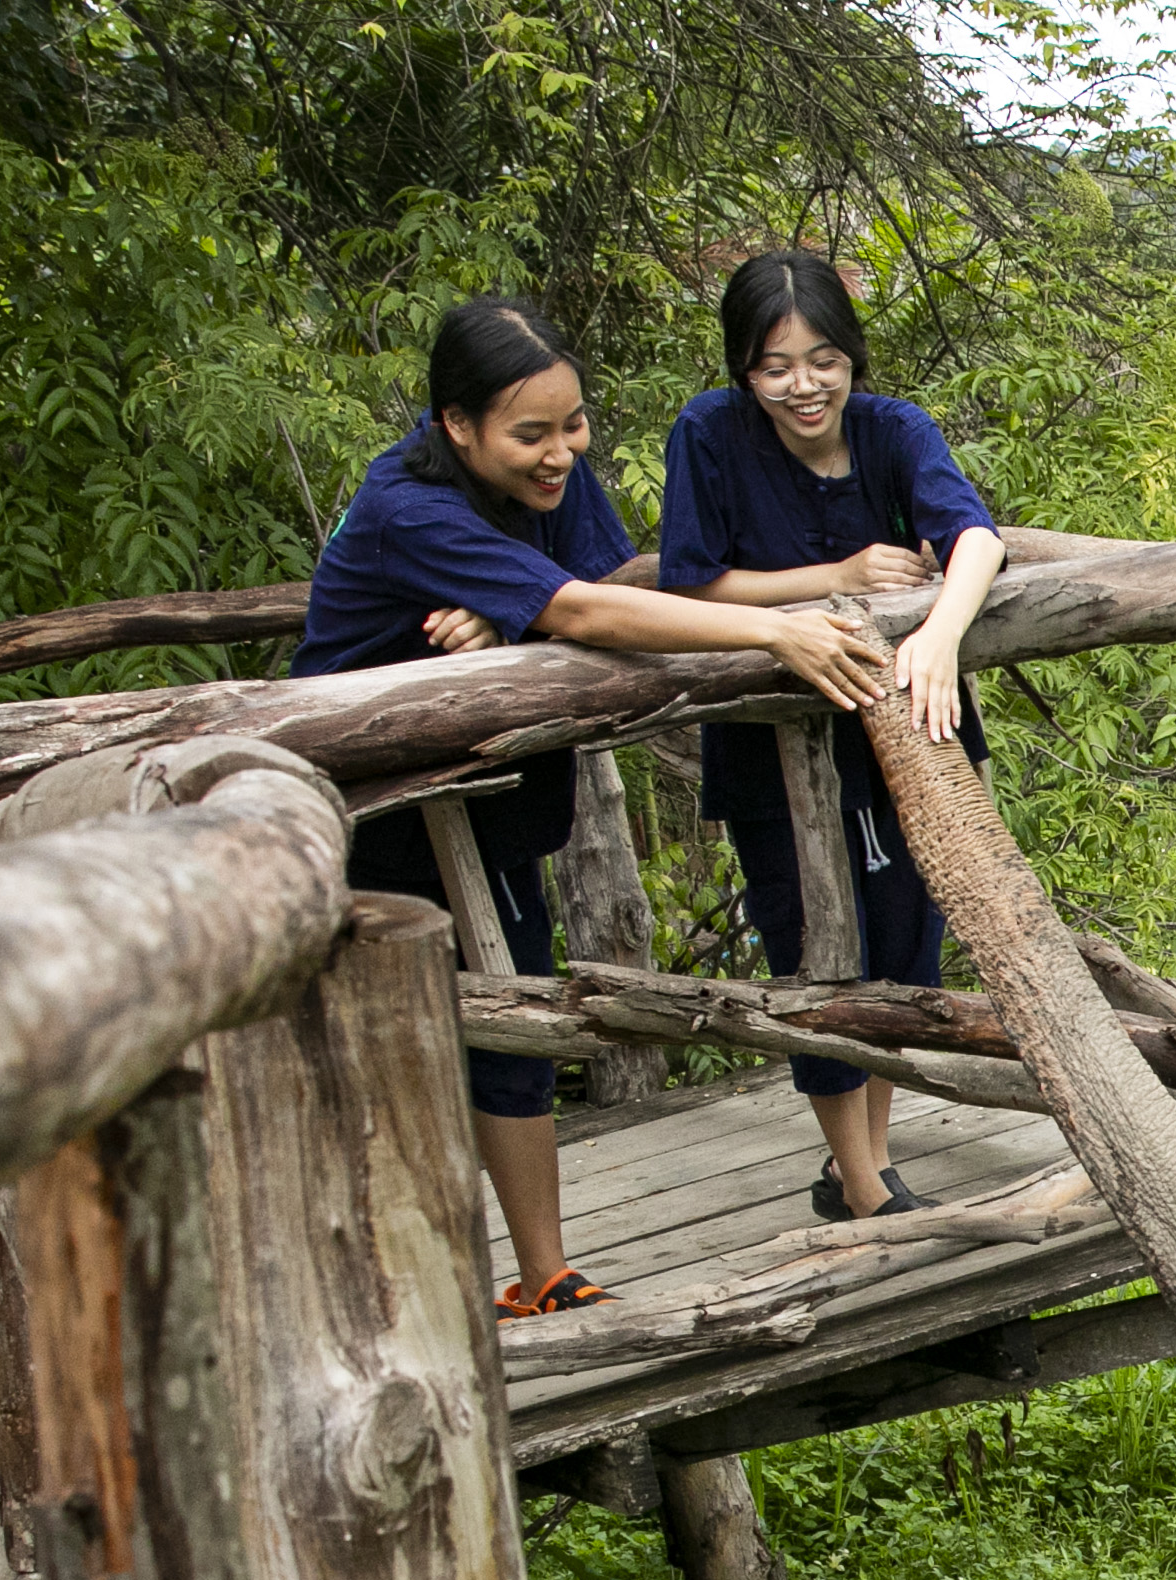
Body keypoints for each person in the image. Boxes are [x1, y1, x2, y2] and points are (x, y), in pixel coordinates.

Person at [298, 295, 889, 1316]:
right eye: (531, 432)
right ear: (455, 425)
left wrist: (504, 606)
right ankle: (374, 1298)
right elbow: (577, 607)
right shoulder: (407, 505)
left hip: (487, 804)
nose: (561, 451)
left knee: (514, 1027)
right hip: (371, 818)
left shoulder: (540, 481)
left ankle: (543, 1273)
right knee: (379, 1058)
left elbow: (603, 570)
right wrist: (771, 633)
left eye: (573, 425)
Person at [659, 250, 1007, 1221]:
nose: (803, 385)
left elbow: (975, 536)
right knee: (813, 945)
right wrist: (837, 573)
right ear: (742, 369)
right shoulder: (711, 436)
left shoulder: (892, 429)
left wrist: (941, 628)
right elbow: (689, 581)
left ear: (852, 356)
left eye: (823, 360)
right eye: (775, 366)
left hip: (905, 729)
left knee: (903, 945)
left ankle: (870, 1160)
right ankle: (860, 1183)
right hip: (773, 752)